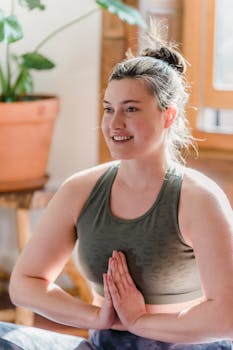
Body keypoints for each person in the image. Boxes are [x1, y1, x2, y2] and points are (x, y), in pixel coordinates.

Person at [6, 23, 233, 350]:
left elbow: (226, 316)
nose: (114, 124)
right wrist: (95, 318)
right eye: (109, 109)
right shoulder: (80, 190)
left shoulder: (199, 199)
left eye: (130, 109)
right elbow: (24, 285)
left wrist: (142, 322)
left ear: (167, 116)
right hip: (104, 343)